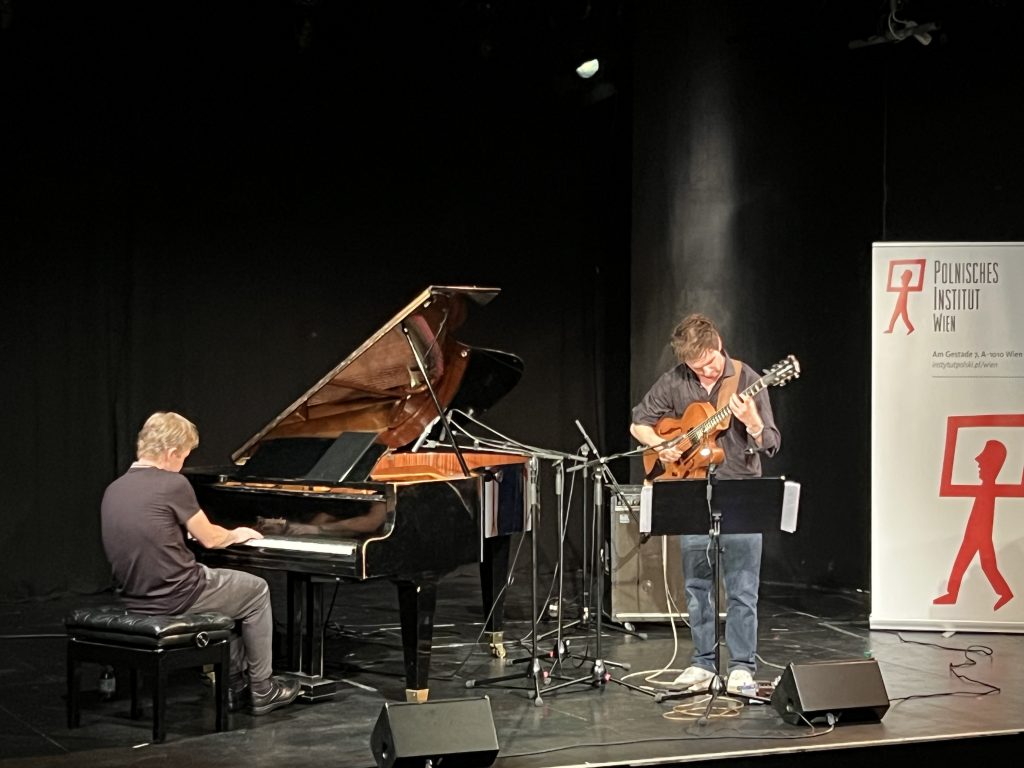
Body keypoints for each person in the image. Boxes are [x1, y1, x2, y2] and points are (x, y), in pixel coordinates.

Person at [100, 411, 301, 715]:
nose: (183, 464)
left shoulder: (115, 488)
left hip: (135, 596)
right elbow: (210, 538)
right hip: (177, 594)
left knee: (230, 598)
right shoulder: (171, 483)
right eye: (183, 457)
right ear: (171, 452)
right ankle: (263, 688)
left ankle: (234, 686)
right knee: (256, 590)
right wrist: (238, 533)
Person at [630, 313, 781, 695]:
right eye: (698, 367)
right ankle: (703, 664)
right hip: (692, 492)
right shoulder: (676, 380)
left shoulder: (746, 379)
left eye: (711, 361)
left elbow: (771, 443)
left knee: (742, 587)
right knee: (697, 586)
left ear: (719, 345)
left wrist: (753, 422)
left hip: (740, 491)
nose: (707, 371)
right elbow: (638, 423)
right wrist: (661, 445)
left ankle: (742, 667)